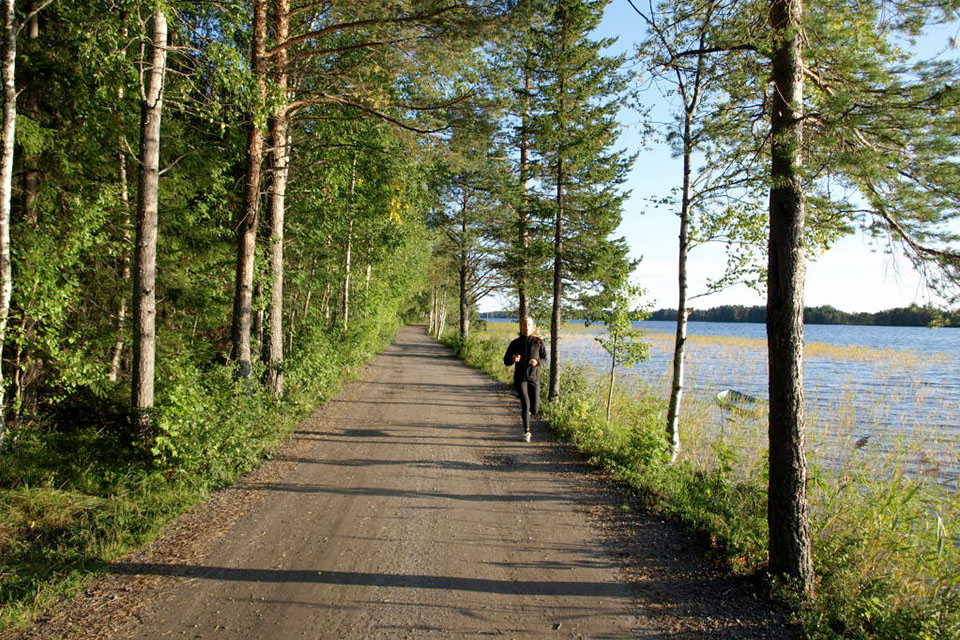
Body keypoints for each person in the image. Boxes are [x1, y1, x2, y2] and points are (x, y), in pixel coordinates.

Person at [503, 316, 547, 442]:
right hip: (520, 378)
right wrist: (512, 359)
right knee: (525, 405)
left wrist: (537, 362)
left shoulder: (538, 342)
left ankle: (529, 413)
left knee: (534, 408)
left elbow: (545, 359)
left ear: (533, 327)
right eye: (523, 325)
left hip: (534, 378)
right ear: (520, 327)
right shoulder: (515, 343)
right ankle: (526, 432)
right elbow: (506, 361)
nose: (526, 327)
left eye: (528, 325)